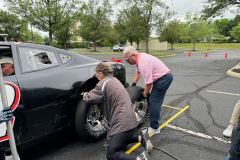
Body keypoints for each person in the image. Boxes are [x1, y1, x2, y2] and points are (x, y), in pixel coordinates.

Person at [82, 63, 151, 160]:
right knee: (121, 141)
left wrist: (84, 94)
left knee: (111, 154)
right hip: (130, 120)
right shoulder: (115, 80)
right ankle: (140, 137)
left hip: (122, 123)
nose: (97, 78)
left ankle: (140, 159)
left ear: (101, 73)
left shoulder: (103, 83)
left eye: (96, 75)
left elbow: (89, 98)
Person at [123, 46, 173, 135]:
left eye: (127, 59)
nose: (127, 62)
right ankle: (154, 115)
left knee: (154, 101)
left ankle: (154, 128)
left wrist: (144, 95)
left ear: (133, 56)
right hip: (161, 77)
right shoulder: (140, 58)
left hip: (164, 79)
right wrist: (133, 84)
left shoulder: (143, 62)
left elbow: (148, 83)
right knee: (154, 100)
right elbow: (138, 72)